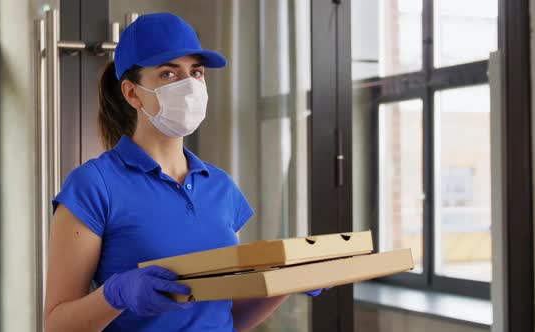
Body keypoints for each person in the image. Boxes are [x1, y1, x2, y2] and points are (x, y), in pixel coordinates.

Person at [43, 12, 327, 332]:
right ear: (132, 93)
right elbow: (57, 325)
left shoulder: (220, 187)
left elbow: (226, 317)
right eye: (168, 74)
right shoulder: (93, 186)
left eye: (196, 72)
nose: (189, 85)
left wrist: (284, 280)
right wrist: (115, 295)